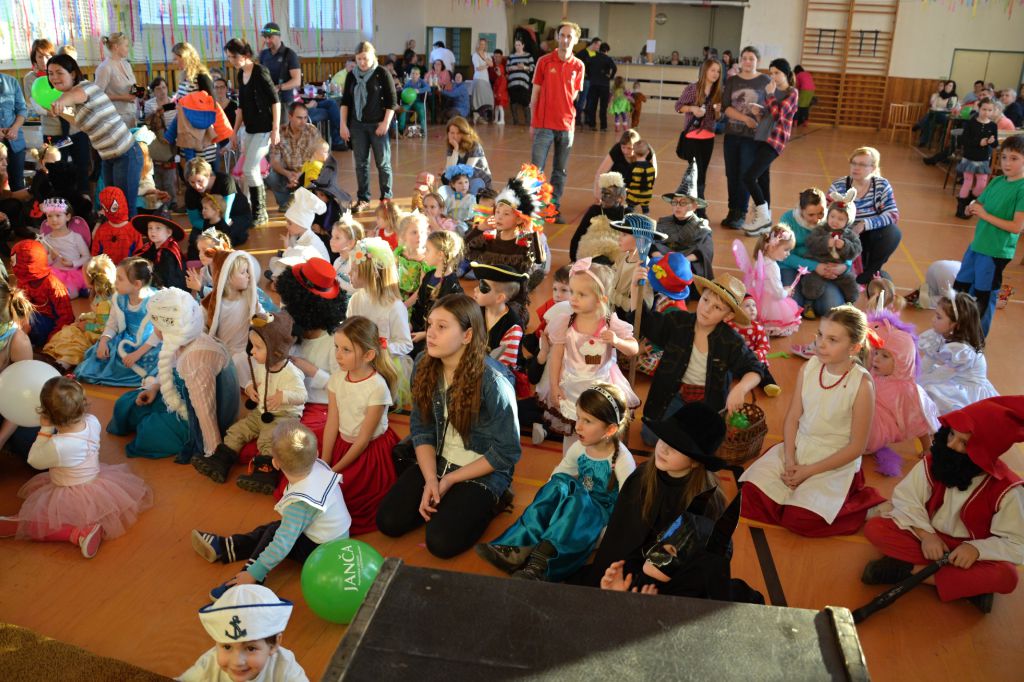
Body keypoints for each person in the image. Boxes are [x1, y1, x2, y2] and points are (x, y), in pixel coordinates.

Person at [376, 294, 520, 558]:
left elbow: (507, 452)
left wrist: (451, 479)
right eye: (430, 324)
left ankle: (494, 500)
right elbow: (421, 428)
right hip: (438, 459)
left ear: (467, 335)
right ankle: (451, 500)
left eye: (442, 327)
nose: (430, 333)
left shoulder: (493, 381)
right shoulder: (424, 363)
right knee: (388, 522)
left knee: (441, 543)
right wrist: (432, 479)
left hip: (481, 469)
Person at [862, 397, 1024, 614]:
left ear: (985, 450)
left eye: (964, 443)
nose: (950, 445)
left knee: (1007, 576)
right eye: (951, 435)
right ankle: (968, 587)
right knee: (876, 528)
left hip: (967, 553)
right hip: (929, 539)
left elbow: (1016, 541)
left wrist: (977, 549)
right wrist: (927, 535)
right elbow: (908, 499)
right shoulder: (934, 463)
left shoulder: (1008, 490)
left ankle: (908, 571)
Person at [587, 402, 755, 602]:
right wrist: (614, 574)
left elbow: (689, 569)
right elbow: (619, 537)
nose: (664, 448)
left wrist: (640, 586)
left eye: (676, 447)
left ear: (695, 461)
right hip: (623, 569)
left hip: (661, 583)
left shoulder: (707, 503)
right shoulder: (642, 477)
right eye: (664, 439)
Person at [741, 305, 884, 536]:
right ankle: (791, 501)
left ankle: (860, 506)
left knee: (800, 520)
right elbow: (792, 418)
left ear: (854, 347)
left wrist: (808, 471)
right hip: (800, 447)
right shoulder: (809, 367)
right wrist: (790, 459)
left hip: (834, 460)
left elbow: (857, 447)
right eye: (820, 334)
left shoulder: (862, 384)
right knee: (748, 495)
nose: (821, 344)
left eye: (832, 340)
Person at [479, 384, 635, 581]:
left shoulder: (623, 460)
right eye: (578, 417)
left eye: (587, 421)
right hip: (574, 511)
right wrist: (548, 510)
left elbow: (627, 511)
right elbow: (556, 478)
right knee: (561, 481)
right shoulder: (579, 448)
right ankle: (519, 544)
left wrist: (601, 538)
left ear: (610, 429)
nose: (578, 426)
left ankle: (541, 565)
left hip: (596, 523)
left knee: (575, 496)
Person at [193, 420, 350, 600]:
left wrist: (255, 572)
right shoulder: (317, 465)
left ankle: (250, 579)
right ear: (316, 454)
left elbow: (282, 544)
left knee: (274, 534)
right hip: (335, 539)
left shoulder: (300, 504)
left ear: (275, 463)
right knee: (274, 528)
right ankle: (228, 547)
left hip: (323, 552)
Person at [5, 377, 151, 559]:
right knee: (55, 514)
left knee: (43, 524)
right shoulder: (93, 421)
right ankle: (87, 526)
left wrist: (45, 430)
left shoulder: (58, 445)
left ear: (47, 416)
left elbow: (34, 459)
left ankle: (74, 532)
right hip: (95, 483)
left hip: (68, 491)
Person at [107, 288, 240, 463]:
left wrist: (213, 452)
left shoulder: (195, 360)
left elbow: (205, 411)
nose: (154, 329)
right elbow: (168, 368)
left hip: (198, 416)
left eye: (155, 325)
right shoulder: (181, 337)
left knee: (148, 430)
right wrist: (154, 388)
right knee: (126, 405)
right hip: (183, 394)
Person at [631, 270, 763, 444]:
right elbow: (644, 321)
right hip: (672, 394)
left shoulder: (731, 341)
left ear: (728, 316)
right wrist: (635, 288)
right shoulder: (677, 322)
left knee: (701, 444)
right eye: (706, 300)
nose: (706, 309)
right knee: (650, 437)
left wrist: (741, 389)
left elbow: (756, 369)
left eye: (717, 307)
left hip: (707, 402)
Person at [537, 259, 639, 446]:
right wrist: (554, 386)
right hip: (571, 387)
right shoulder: (565, 322)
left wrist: (617, 341)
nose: (573, 298)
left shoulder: (610, 322)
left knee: (601, 434)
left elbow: (634, 349)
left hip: (601, 389)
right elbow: (556, 357)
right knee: (572, 431)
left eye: (582, 294)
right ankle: (570, 460)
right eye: (572, 292)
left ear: (601, 299)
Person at [322, 316, 399, 534]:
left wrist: (335, 470)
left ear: (368, 355)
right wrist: (325, 462)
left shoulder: (377, 388)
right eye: (337, 347)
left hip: (370, 453)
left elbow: (363, 439)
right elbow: (332, 422)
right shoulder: (337, 379)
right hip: (342, 444)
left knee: (350, 499)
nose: (338, 355)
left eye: (346, 350)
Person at [47, 54, 143, 217]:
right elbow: (79, 123)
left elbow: (72, 96)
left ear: (73, 74)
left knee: (125, 207)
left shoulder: (85, 88)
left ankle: (133, 234)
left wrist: (60, 102)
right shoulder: (73, 101)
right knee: (112, 206)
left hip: (126, 154)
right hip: (108, 157)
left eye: (59, 72)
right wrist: (58, 109)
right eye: (50, 73)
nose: (54, 77)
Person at [953, 135, 1024, 335]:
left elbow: (1016, 227)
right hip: (977, 246)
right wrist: (971, 208)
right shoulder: (997, 181)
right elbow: (980, 203)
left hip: (995, 252)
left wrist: (984, 215)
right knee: (961, 289)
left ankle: (977, 339)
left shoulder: (1022, 189)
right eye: (1004, 157)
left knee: (983, 296)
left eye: (1014, 158)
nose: (1007, 163)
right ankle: (958, 331)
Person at [180, 584, 309, 682]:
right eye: (227, 647)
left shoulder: (285, 665)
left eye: (251, 648)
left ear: (274, 644)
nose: (237, 661)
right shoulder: (208, 665)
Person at [865, 311, 940, 477]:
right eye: (876, 352)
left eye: (885, 356)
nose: (876, 359)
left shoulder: (905, 390)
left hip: (877, 429)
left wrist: (927, 447)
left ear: (901, 361)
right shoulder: (875, 373)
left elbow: (918, 423)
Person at [75, 257, 159, 387]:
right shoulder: (118, 298)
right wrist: (103, 341)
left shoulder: (155, 301)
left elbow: (159, 334)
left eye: (120, 279)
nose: (115, 282)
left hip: (149, 344)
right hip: (126, 339)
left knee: (152, 363)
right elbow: (112, 325)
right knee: (101, 355)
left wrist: (137, 354)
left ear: (137, 284)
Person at [530, 21, 585, 219]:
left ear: (576, 40)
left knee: (560, 170)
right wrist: (532, 122)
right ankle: (533, 207)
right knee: (535, 170)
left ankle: (553, 208)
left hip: (566, 126)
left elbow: (574, 95)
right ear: (556, 37)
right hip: (544, 125)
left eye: (570, 36)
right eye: (562, 35)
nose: (565, 39)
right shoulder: (544, 61)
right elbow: (535, 94)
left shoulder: (579, 66)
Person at [224, 39, 281, 227]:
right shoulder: (241, 74)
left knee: (250, 168)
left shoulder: (260, 72)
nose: (232, 60)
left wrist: (275, 129)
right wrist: (234, 132)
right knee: (248, 171)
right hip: (249, 129)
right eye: (229, 57)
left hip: (264, 129)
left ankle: (260, 212)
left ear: (246, 55)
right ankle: (252, 210)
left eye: (234, 56)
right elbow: (241, 107)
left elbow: (275, 101)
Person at [741, 58, 799, 235]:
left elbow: (779, 115)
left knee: (749, 177)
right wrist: (759, 110)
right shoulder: (772, 92)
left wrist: (770, 95)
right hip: (761, 137)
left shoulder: (792, 92)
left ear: (786, 74)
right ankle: (765, 221)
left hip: (775, 141)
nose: (773, 76)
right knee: (763, 179)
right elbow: (769, 114)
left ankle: (763, 217)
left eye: (777, 73)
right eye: (771, 73)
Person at [918, 291, 997, 415]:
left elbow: (940, 375)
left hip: (969, 392)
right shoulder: (939, 335)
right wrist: (916, 377)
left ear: (956, 325)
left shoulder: (961, 351)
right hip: (954, 378)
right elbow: (927, 362)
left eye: (939, 317)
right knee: (924, 382)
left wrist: (916, 383)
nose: (933, 320)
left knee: (931, 390)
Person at [829, 147, 900, 284]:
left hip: (869, 234)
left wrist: (864, 224)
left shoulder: (881, 185)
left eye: (862, 165)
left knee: (893, 233)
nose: (856, 168)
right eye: (854, 163)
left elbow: (893, 214)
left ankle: (870, 272)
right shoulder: (839, 185)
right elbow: (828, 213)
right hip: (844, 235)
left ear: (873, 168)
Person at [340, 41, 397, 214]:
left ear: (373, 56)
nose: (362, 62)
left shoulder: (382, 73)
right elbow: (345, 102)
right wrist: (343, 125)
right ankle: (363, 198)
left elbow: (392, 102)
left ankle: (386, 198)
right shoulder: (351, 76)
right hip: (357, 126)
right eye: (359, 59)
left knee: (383, 163)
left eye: (365, 58)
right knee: (361, 164)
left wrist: (385, 123)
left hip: (378, 125)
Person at [720, 46, 771, 230]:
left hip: (752, 138)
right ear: (740, 60)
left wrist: (759, 116)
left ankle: (741, 212)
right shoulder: (733, 80)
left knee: (744, 175)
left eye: (752, 58)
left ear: (758, 61)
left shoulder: (765, 81)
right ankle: (732, 210)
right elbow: (726, 107)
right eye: (745, 58)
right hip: (732, 135)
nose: (748, 62)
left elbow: (771, 108)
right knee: (731, 174)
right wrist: (745, 119)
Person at [43, 255, 116, 369]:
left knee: (77, 342)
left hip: (99, 334)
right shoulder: (100, 295)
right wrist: (86, 316)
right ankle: (55, 356)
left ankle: (63, 364)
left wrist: (87, 326)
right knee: (70, 331)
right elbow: (100, 316)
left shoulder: (104, 302)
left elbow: (105, 327)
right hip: (96, 324)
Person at [735, 224, 801, 337]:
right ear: (772, 247)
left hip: (758, 299)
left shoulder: (760, 260)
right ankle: (768, 329)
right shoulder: (772, 267)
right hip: (770, 303)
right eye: (786, 250)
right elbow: (778, 294)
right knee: (784, 326)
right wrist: (787, 291)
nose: (788, 254)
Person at [674, 59, 722, 213]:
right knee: (697, 172)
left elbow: (718, 117)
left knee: (701, 173)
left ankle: (691, 204)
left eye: (718, 71)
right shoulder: (692, 89)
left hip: (709, 138)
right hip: (692, 137)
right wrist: (693, 109)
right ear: (705, 71)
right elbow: (678, 106)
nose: (715, 74)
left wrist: (718, 111)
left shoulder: (718, 92)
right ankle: (700, 210)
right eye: (712, 70)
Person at [800, 189, 862, 307]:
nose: (835, 221)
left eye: (840, 219)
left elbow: (856, 250)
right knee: (811, 285)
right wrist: (825, 242)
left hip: (839, 269)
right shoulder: (820, 229)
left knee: (851, 286)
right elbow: (810, 243)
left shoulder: (849, 235)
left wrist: (845, 245)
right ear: (828, 216)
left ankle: (849, 304)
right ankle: (809, 303)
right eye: (832, 216)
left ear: (848, 221)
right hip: (818, 266)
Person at [10, 239, 73, 346]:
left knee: (34, 326)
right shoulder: (23, 280)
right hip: (32, 318)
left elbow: (67, 317)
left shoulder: (54, 286)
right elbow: (20, 305)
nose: (12, 264)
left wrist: (52, 337)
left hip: (50, 324)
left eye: (14, 261)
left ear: (29, 264)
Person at [267, 102, 327, 212]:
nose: (303, 121)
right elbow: (274, 162)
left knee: (319, 170)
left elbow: (322, 155)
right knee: (270, 175)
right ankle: (285, 203)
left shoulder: (312, 130)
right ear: (290, 117)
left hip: (307, 174)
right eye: (299, 118)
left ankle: (309, 202)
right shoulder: (279, 133)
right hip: (287, 175)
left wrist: (301, 173)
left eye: (305, 117)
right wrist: (288, 174)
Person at [0, 282, 37, 456]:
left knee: (30, 444)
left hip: (12, 403)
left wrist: (1, 438)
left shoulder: (17, 342)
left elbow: (21, 398)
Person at [170, 42, 218, 168]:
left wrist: (191, 110)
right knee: (190, 168)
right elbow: (179, 102)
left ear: (185, 57)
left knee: (202, 169)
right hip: (186, 132)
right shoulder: (185, 77)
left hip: (199, 131)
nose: (174, 62)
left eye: (176, 58)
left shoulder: (201, 76)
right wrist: (163, 108)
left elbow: (212, 103)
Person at [38, 197, 90, 298]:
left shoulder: (75, 237)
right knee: (46, 289)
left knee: (69, 294)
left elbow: (86, 257)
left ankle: (75, 290)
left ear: (68, 216)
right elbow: (42, 262)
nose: (54, 219)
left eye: (58, 215)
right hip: (53, 274)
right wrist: (51, 257)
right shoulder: (46, 239)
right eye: (49, 216)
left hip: (73, 274)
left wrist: (73, 263)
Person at [94, 33, 139, 129]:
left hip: (132, 114)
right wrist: (122, 97)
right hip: (115, 118)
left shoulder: (127, 64)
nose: (128, 49)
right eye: (126, 46)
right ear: (116, 47)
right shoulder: (105, 68)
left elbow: (133, 86)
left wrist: (138, 92)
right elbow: (97, 95)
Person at [444, 116, 492, 193]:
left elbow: (468, 170)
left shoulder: (474, 146)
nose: (455, 136)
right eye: (452, 133)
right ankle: (457, 197)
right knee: (445, 178)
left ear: (464, 133)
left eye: (458, 133)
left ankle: (467, 197)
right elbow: (449, 169)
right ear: (448, 133)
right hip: (462, 180)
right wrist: (455, 149)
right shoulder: (452, 146)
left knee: (464, 181)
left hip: (478, 179)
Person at [0, 72, 28, 192]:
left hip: (15, 142)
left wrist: (15, 128)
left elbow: (22, 109)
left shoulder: (11, 81)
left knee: (17, 184)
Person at [585, 43, 616, 132]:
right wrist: (610, 77)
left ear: (599, 49)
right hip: (604, 85)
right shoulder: (608, 58)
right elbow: (614, 68)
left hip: (593, 84)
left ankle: (592, 125)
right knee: (603, 107)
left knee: (593, 106)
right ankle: (603, 127)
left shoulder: (593, 58)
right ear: (607, 51)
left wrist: (590, 76)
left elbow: (586, 66)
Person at [918, 80, 958, 148]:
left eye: (950, 86)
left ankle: (919, 125)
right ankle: (923, 141)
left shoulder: (953, 97)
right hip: (936, 114)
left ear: (953, 88)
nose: (948, 87)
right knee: (929, 121)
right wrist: (940, 107)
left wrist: (941, 107)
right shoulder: (940, 94)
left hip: (946, 117)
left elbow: (950, 107)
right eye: (947, 85)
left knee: (929, 117)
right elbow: (934, 104)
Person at [507, 39, 535, 126]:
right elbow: (507, 68)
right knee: (513, 101)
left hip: (524, 83)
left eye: (519, 45)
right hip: (512, 83)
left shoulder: (528, 56)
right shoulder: (511, 56)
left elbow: (533, 68)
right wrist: (514, 67)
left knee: (526, 101)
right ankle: (515, 121)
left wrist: (524, 67)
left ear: (523, 45)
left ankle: (528, 121)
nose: (517, 47)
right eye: (516, 45)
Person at [471, 38, 495, 124]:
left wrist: (485, 59)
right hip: (478, 79)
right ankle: (477, 116)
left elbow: (491, 64)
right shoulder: (475, 55)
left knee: (488, 98)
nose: (482, 46)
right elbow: (478, 68)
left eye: (484, 44)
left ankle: (482, 116)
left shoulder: (487, 54)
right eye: (481, 44)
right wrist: (486, 65)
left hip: (485, 79)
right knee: (478, 100)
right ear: (478, 44)